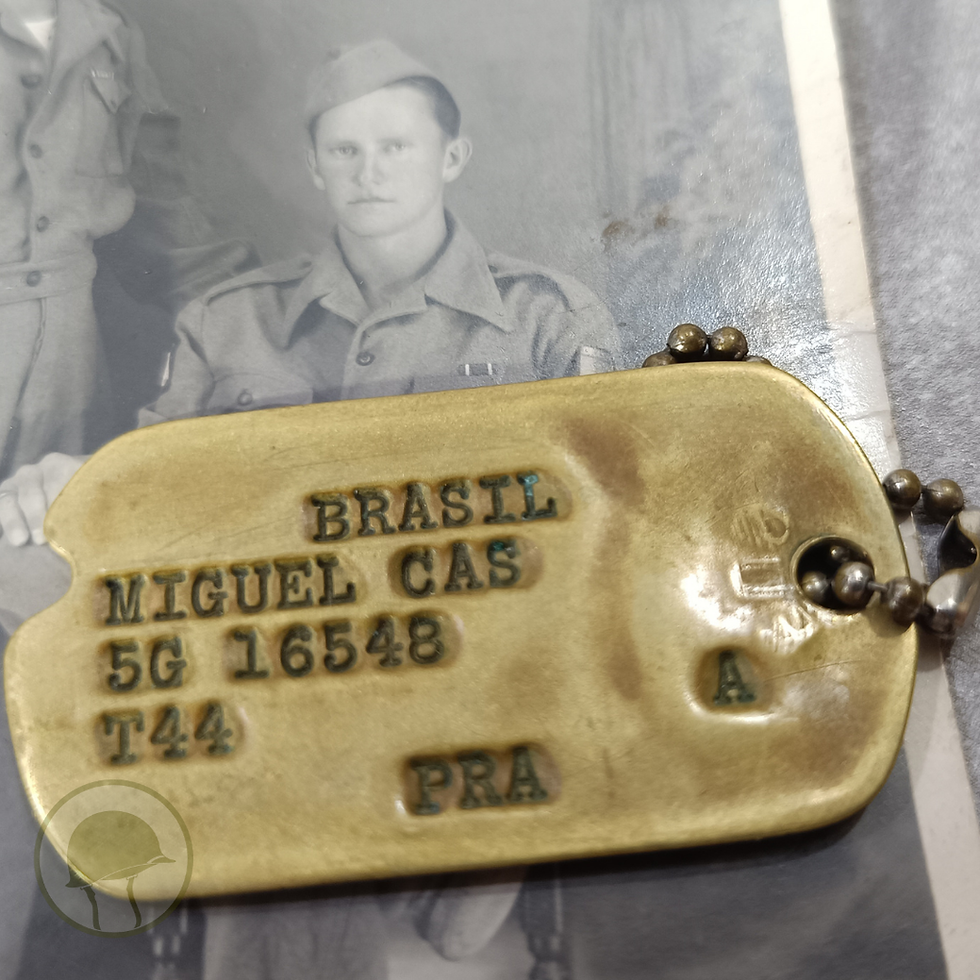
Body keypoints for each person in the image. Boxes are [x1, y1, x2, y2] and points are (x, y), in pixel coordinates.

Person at [0, 38, 620, 978]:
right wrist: (67, 485)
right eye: (345, 151)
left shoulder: (547, 318)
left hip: (472, 638)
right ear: (314, 167)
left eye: (396, 147)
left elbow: (606, 520)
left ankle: (466, 820)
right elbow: (148, 496)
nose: (370, 172)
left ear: (452, 156)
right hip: (266, 642)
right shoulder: (230, 322)